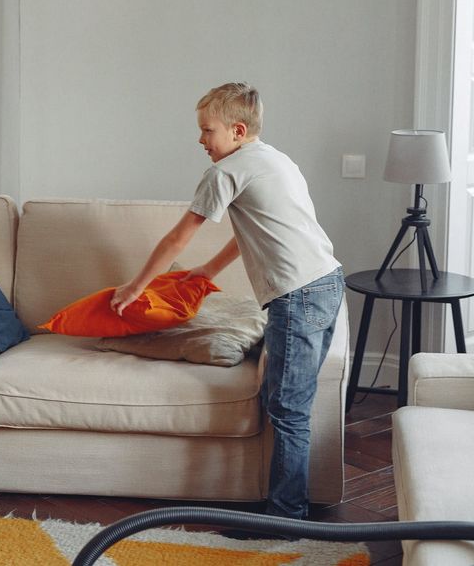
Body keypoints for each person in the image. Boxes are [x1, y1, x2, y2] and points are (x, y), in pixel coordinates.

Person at [109, 82, 343, 520]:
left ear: (237, 130)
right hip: (328, 282)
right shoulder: (276, 160)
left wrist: (137, 286)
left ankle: (286, 518)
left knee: (288, 411)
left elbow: (177, 238)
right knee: (285, 401)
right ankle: (282, 506)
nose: (201, 140)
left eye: (207, 130)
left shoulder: (225, 172)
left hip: (297, 296)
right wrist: (210, 270)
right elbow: (254, 228)